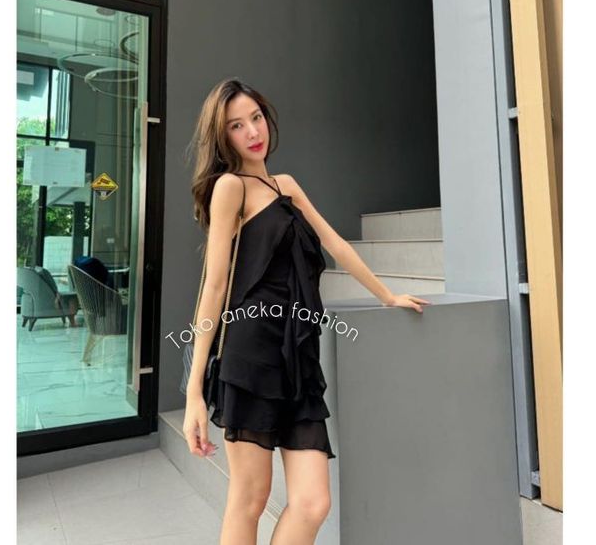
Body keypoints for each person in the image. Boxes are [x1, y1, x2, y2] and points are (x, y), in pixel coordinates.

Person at [183, 78, 430, 545]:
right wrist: (195, 388)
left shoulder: (287, 185)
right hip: (250, 355)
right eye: (236, 125)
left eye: (256, 117)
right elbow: (213, 286)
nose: (252, 131)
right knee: (250, 499)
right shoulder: (230, 187)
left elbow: (334, 242)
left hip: (297, 355)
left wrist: (387, 295)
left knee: (313, 502)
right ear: (222, 136)